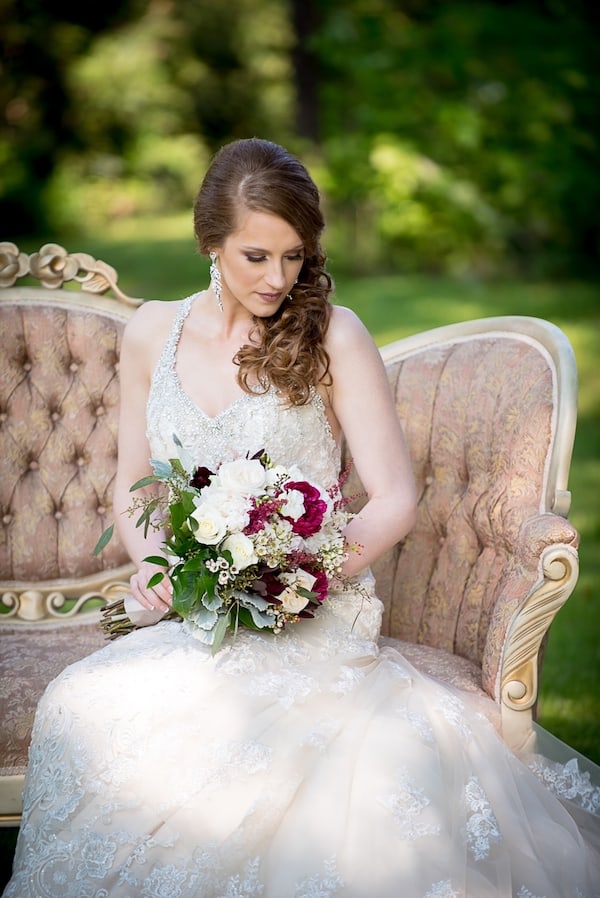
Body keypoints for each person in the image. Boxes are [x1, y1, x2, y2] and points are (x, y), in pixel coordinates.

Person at [3, 137, 599, 898]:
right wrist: (160, 567)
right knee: (85, 704)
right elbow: (132, 482)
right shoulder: (152, 332)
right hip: (200, 609)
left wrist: (299, 576)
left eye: (293, 257)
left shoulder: (333, 334)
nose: (277, 279)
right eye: (255, 257)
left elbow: (395, 497)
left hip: (313, 608)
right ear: (210, 244)